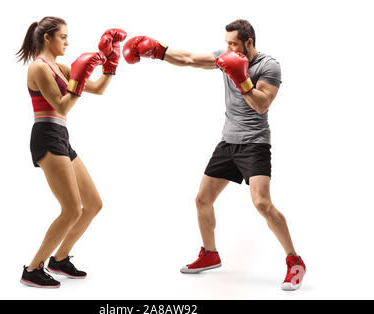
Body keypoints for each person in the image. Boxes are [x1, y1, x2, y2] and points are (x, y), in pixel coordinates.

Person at [122, 19, 306, 291]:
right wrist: (158, 51)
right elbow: (188, 59)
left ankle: (295, 261)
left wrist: (242, 79)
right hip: (227, 143)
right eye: (227, 43)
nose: (228, 48)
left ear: (249, 42)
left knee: (262, 204)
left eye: (234, 44)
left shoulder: (269, 66)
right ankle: (210, 254)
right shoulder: (225, 57)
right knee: (202, 199)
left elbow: (261, 105)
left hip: (254, 144)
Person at [16, 16, 126, 288]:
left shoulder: (60, 67)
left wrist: (111, 63)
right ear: (47, 38)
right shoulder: (39, 68)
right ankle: (33, 268)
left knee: (93, 204)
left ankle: (60, 259)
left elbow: (98, 89)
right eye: (63, 37)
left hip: (61, 136)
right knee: (70, 209)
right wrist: (77, 77)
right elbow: (61, 106)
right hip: (46, 136)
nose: (68, 41)